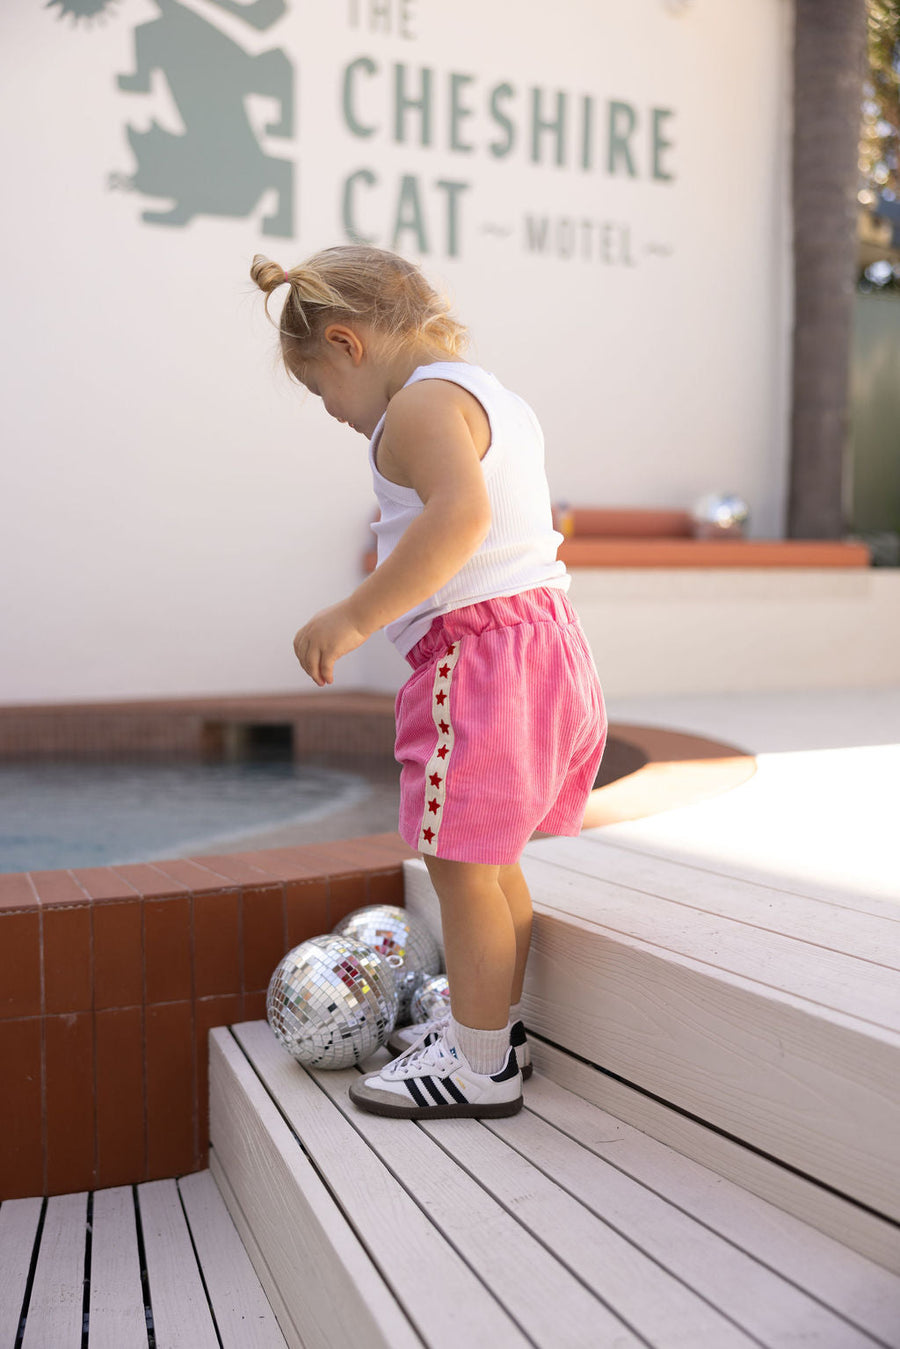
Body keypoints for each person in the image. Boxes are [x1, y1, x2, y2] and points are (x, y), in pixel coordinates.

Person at [250, 245, 607, 1120]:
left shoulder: (414, 409)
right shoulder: (495, 396)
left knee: (456, 865)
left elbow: (462, 515)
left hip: (477, 655)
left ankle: (480, 1066)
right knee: (489, 863)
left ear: (347, 342)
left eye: (318, 389)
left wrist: (355, 615)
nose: (331, 413)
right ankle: (491, 1027)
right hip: (545, 642)